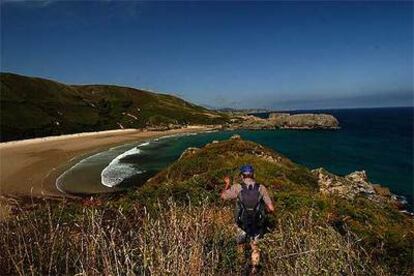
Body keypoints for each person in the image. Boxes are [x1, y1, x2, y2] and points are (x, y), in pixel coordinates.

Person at [220, 164, 275, 273]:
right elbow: (271, 209)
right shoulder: (261, 188)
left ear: (242, 176)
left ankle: (241, 267)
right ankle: (254, 270)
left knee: (240, 244)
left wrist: (227, 184)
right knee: (255, 247)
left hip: (241, 223)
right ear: (253, 175)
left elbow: (223, 196)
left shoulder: (237, 187)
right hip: (257, 223)